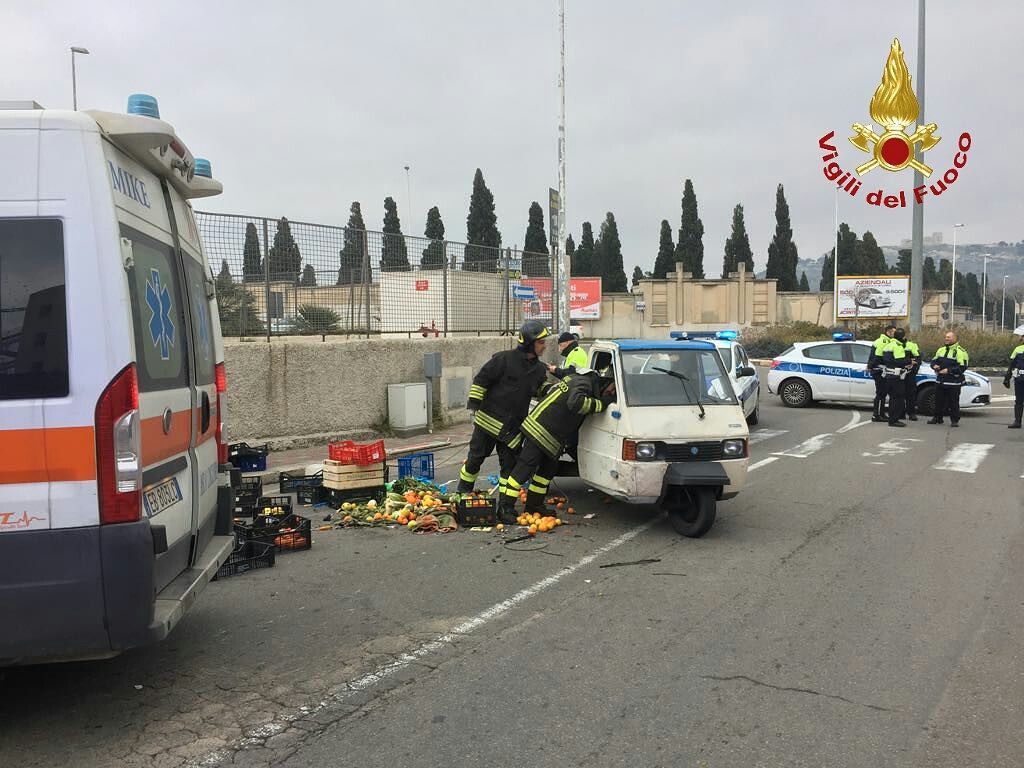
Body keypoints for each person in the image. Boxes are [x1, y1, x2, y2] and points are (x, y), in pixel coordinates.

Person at [497, 369, 617, 523]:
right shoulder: (584, 383)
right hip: (540, 430)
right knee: (524, 469)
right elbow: (576, 403)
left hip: (551, 435)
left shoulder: (579, 380)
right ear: (605, 382)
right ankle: (505, 508)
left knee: (547, 470)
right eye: (611, 390)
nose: (610, 393)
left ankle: (534, 505)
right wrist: (601, 404)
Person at [457, 320, 550, 497]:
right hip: (488, 423)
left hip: (512, 429)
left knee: (509, 468)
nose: (544, 346)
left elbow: (540, 388)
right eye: (541, 342)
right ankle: (463, 494)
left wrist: (555, 391)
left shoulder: (538, 369)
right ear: (529, 343)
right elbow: (481, 380)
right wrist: (474, 406)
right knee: (474, 460)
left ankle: (505, 507)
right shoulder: (503, 359)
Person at [928, 331, 969, 427]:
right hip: (940, 381)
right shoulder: (941, 349)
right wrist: (934, 366)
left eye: (949, 337)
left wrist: (949, 370)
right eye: (946, 337)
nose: (946, 339)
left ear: (955, 339)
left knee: (953, 402)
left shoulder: (960, 351)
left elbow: (962, 367)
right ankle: (937, 418)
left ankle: (954, 420)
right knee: (938, 401)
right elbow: (933, 361)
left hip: (953, 382)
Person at [869, 325, 896, 422]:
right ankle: (877, 415)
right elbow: (878, 356)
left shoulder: (883, 340)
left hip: (880, 369)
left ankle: (881, 414)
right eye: (893, 332)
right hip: (879, 370)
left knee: (883, 393)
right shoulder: (883, 341)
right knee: (880, 393)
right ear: (888, 332)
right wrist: (872, 366)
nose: (895, 334)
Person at [881, 329, 908, 427]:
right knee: (898, 398)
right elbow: (900, 361)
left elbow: (885, 359)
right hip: (896, 376)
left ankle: (892, 419)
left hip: (889, 375)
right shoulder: (898, 346)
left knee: (893, 398)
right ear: (902, 337)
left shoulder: (888, 345)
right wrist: (909, 361)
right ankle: (894, 420)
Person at [894, 328, 921, 421]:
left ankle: (911, 413)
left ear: (904, 336)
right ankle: (901, 413)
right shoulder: (893, 345)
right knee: (899, 394)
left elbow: (917, 359)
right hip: (897, 373)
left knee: (911, 394)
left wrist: (914, 370)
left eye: (900, 335)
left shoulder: (911, 345)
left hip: (909, 374)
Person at [1002, 331, 1024, 429]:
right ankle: (1017, 422)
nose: (1021, 338)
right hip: (1019, 379)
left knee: (1019, 401)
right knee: (1018, 401)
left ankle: (1017, 421)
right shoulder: (1018, 349)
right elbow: (1012, 365)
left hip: (1020, 379)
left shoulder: (1018, 349)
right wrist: (1007, 378)